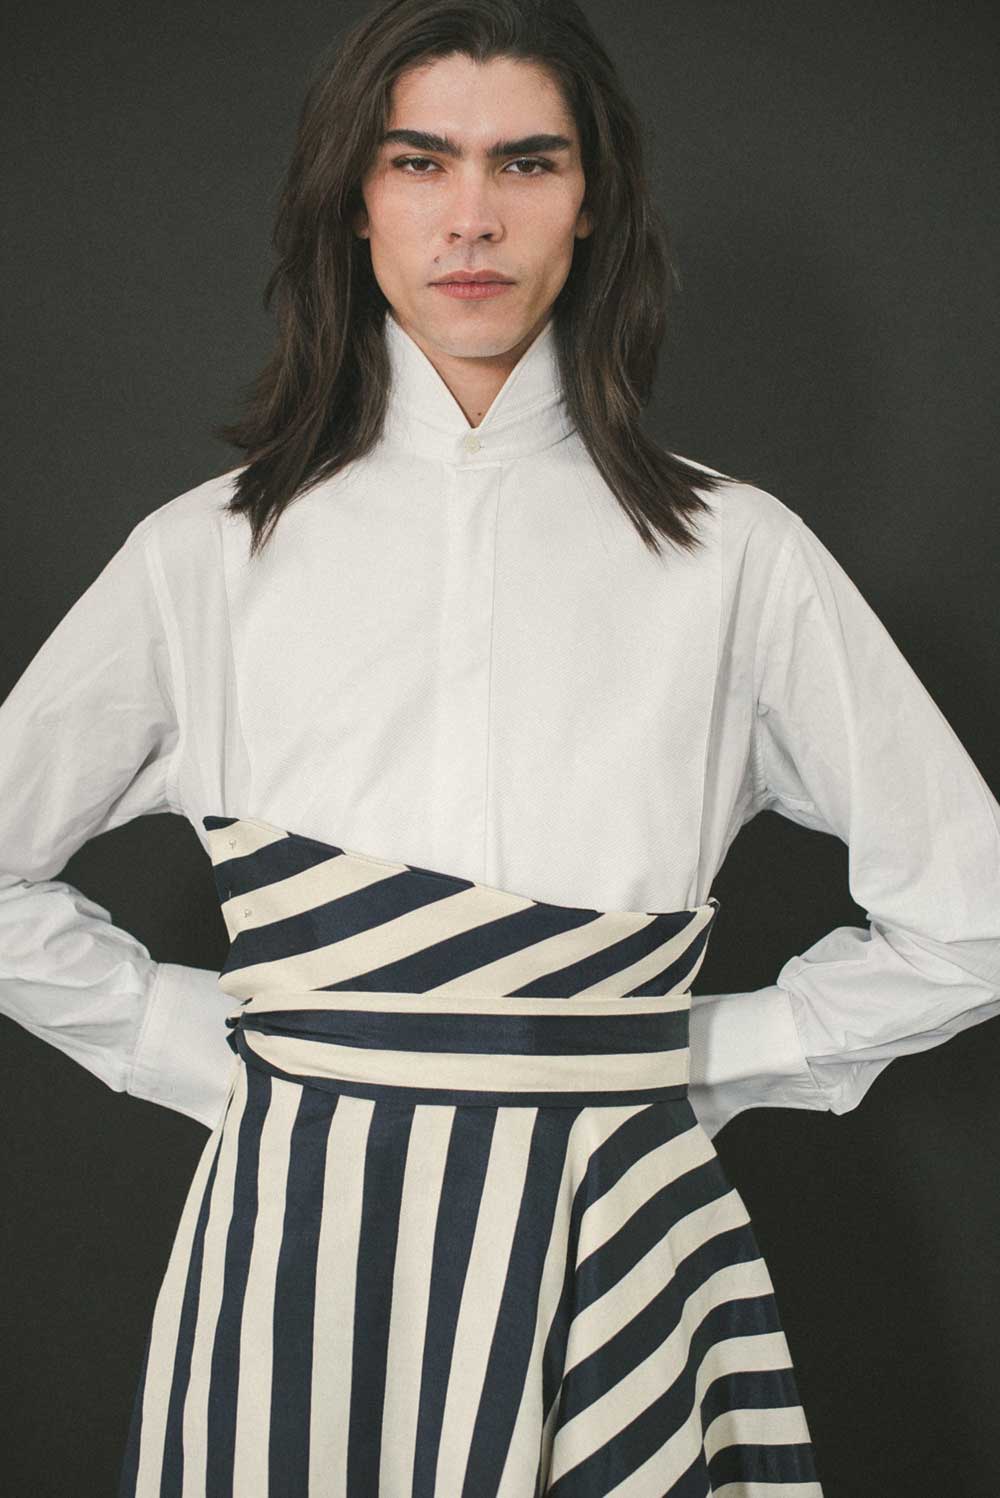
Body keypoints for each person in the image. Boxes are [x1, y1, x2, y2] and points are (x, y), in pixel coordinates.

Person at [1, 1, 997, 1493]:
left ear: (591, 202)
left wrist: (684, 1057)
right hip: (299, 1251)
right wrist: (218, 1050)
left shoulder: (739, 557)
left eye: (527, 162)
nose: (473, 217)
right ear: (355, 199)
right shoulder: (202, 559)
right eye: (420, 162)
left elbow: (974, 914)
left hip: (622, 1235)